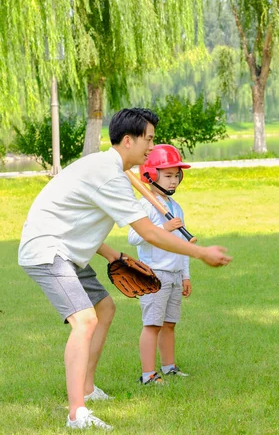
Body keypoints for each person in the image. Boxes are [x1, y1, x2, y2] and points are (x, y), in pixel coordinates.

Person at [18, 108, 232, 431]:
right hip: (47, 250)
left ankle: (88, 388)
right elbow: (150, 232)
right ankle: (76, 413)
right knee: (84, 320)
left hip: (68, 249)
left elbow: (80, 219)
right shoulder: (110, 174)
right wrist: (200, 252)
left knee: (104, 308)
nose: (151, 146)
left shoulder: (110, 170)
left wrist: (110, 254)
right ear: (128, 140)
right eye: (148, 139)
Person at [128, 144, 194, 385]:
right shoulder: (146, 205)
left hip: (175, 274)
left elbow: (182, 245)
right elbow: (133, 237)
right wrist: (162, 228)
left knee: (169, 324)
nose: (173, 180)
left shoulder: (175, 208)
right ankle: (148, 374)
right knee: (152, 325)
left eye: (176, 175)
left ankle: (169, 367)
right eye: (167, 175)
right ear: (151, 175)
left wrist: (185, 275)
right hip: (154, 275)